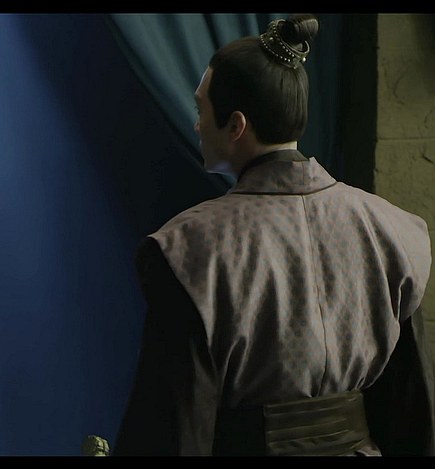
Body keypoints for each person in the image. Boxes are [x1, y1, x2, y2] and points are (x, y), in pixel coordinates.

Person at [113, 14, 435, 456]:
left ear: (236, 125)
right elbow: (411, 410)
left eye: (201, 110)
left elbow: (175, 425)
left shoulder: (190, 249)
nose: (197, 125)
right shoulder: (391, 230)